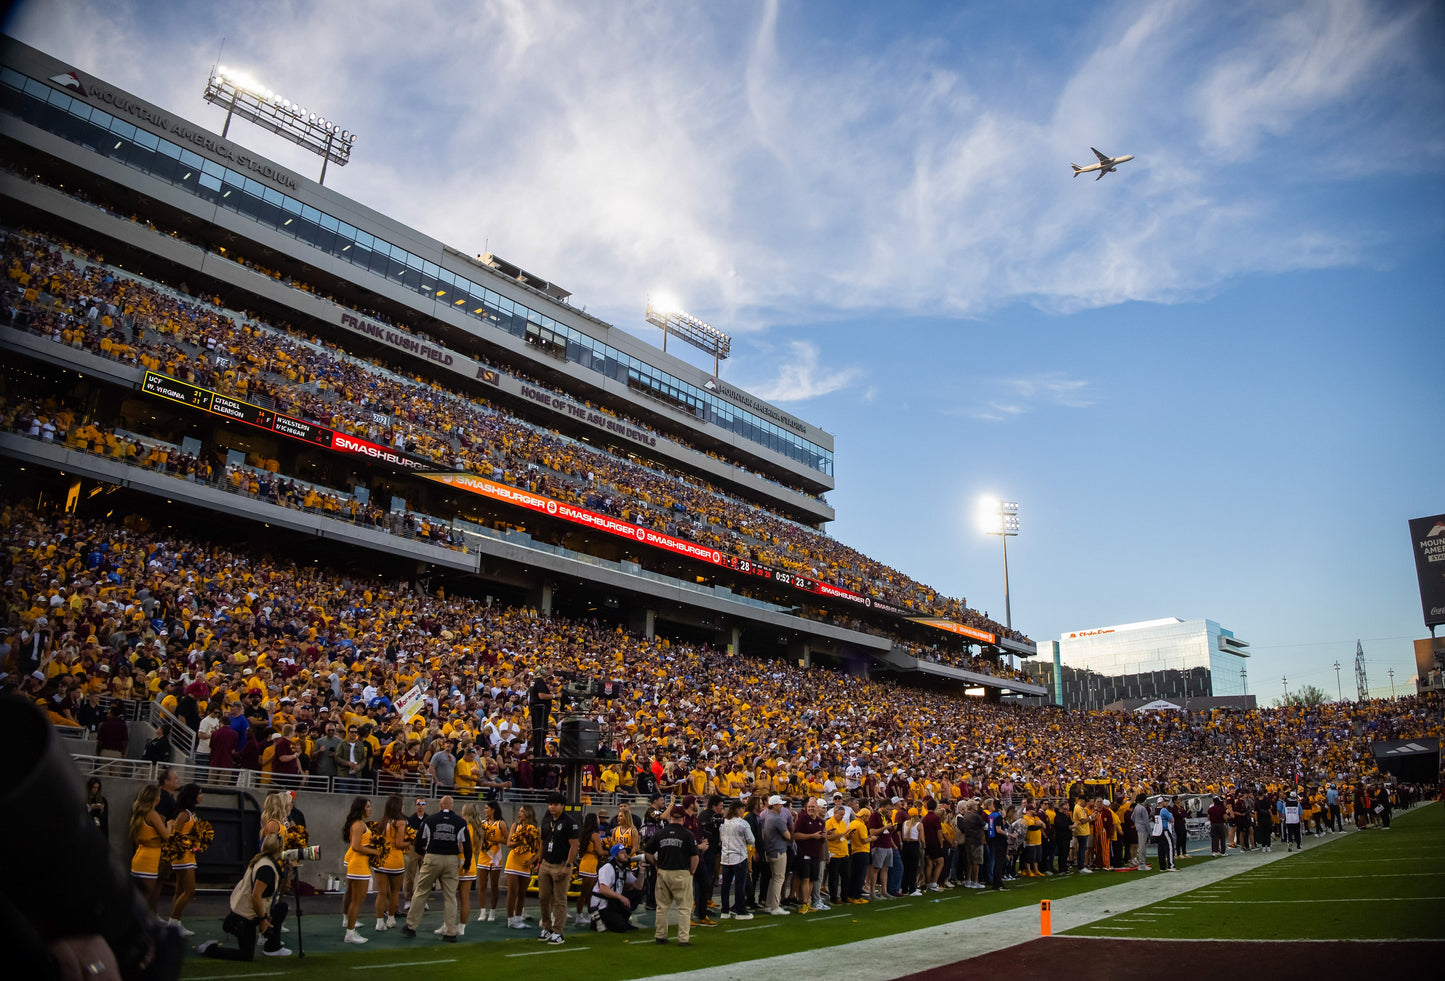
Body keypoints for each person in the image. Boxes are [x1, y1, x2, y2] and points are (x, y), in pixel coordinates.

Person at [197, 833, 291, 960]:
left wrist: (288, 871)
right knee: (245, 955)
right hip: (246, 915)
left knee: (281, 908)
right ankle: (210, 949)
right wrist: (263, 920)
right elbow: (255, 896)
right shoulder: (267, 868)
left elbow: (278, 890)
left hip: (247, 910)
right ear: (280, 848)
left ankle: (272, 947)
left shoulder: (261, 860)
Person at [401, 794, 472, 942]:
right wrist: (467, 864)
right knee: (450, 897)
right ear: (452, 806)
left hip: (432, 857)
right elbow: (467, 845)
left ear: (440, 806)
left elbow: (418, 841)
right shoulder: (460, 822)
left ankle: (411, 926)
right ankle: (451, 932)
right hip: (451, 860)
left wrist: (424, 854)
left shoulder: (430, 820)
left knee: (421, 892)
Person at [645, 804, 698, 946]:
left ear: (670, 817)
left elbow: (647, 852)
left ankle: (660, 936)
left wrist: (656, 865)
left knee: (662, 907)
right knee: (684, 908)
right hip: (681, 872)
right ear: (683, 818)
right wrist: (691, 872)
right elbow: (695, 857)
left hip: (663, 872)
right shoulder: (688, 834)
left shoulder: (660, 833)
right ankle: (683, 939)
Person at [536, 791, 578, 944]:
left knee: (559, 900)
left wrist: (568, 865)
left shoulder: (569, 822)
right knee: (543, 898)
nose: (551, 807)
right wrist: (539, 861)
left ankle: (558, 931)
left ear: (562, 805)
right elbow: (542, 841)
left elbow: (574, 845)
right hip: (546, 863)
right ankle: (547, 927)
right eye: (549, 804)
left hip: (561, 863)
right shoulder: (547, 820)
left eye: (554, 804)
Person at [167, 784, 203, 935]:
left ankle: (176, 923)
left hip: (187, 855)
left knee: (180, 891)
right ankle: (173, 923)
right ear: (192, 796)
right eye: (199, 793)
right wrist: (193, 839)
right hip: (183, 857)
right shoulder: (183, 815)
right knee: (189, 891)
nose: (201, 796)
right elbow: (174, 836)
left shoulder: (189, 813)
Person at [129, 785, 170, 916]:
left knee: (140, 899)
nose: (160, 798)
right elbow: (166, 836)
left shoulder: (139, 813)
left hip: (140, 857)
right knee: (145, 900)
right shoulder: (152, 814)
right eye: (159, 796)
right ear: (155, 798)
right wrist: (170, 825)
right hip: (148, 860)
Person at [341, 797, 377, 943]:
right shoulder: (358, 825)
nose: (370, 809)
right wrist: (375, 852)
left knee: (355, 900)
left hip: (359, 865)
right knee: (356, 901)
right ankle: (350, 934)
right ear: (361, 808)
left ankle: (350, 929)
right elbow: (356, 846)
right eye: (368, 806)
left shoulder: (360, 823)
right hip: (358, 866)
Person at [372, 794, 407, 933]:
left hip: (381, 860)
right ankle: (391, 919)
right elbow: (399, 844)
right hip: (395, 862)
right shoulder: (400, 822)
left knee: (381, 893)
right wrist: (411, 841)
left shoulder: (382, 821)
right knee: (394, 892)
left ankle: (379, 922)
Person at [503, 805, 541, 930]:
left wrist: (532, 861)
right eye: (519, 811)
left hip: (526, 864)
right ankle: (510, 919)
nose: (519, 813)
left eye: (522, 811)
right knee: (512, 892)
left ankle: (518, 919)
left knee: (522, 892)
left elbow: (539, 849)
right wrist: (522, 840)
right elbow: (509, 843)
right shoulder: (515, 826)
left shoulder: (536, 829)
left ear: (528, 813)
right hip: (513, 862)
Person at [591, 844, 643, 933]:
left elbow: (638, 886)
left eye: (626, 852)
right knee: (620, 927)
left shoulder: (623, 869)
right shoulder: (608, 868)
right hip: (602, 905)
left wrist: (642, 871)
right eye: (622, 853)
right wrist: (621, 897)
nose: (626, 855)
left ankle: (623, 919)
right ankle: (598, 919)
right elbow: (603, 890)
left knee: (637, 894)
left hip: (613, 902)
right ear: (615, 856)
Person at [718, 801, 755, 920]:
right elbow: (751, 840)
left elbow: (721, 838)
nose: (743, 811)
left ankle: (725, 911)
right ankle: (740, 911)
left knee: (725, 886)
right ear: (738, 809)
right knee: (739, 885)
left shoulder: (723, 822)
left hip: (726, 857)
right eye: (742, 809)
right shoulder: (743, 823)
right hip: (739, 857)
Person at [759, 795, 791, 914]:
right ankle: (775, 906)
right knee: (779, 879)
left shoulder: (766, 816)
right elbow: (788, 835)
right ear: (775, 805)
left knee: (774, 879)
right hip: (778, 850)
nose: (781, 806)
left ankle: (769, 904)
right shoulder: (777, 819)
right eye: (780, 804)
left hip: (770, 850)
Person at [477, 800, 509, 923]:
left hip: (495, 857)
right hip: (483, 856)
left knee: (494, 885)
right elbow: (478, 839)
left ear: (493, 809)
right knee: (482, 885)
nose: (485, 810)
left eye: (487, 808)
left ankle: (492, 911)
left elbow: (508, 840)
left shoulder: (500, 823)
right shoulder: (482, 823)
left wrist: (496, 840)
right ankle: (482, 911)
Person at [576, 810, 605, 928]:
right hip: (591, 865)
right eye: (597, 818)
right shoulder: (595, 835)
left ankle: (588, 914)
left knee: (587, 893)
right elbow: (600, 852)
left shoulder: (585, 833)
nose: (599, 820)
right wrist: (610, 851)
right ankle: (579, 916)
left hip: (585, 863)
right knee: (586, 893)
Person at [1131, 793, 1152, 870]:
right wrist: (1150, 831)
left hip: (1138, 827)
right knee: (1142, 846)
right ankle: (1142, 864)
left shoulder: (1136, 807)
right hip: (1143, 828)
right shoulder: (1143, 809)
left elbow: (1132, 817)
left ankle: (1141, 862)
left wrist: (1137, 823)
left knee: (1140, 845)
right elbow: (1146, 821)